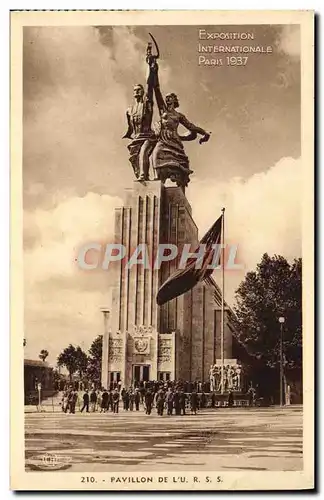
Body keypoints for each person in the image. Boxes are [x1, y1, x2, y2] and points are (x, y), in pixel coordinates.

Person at [152, 71, 210, 188]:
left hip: (175, 143)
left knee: (181, 168)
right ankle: (156, 186)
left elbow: (191, 127)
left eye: (170, 97)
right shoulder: (163, 110)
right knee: (156, 156)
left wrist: (204, 133)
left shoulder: (179, 116)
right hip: (163, 141)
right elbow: (157, 90)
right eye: (166, 97)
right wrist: (154, 70)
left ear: (174, 100)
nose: (167, 99)